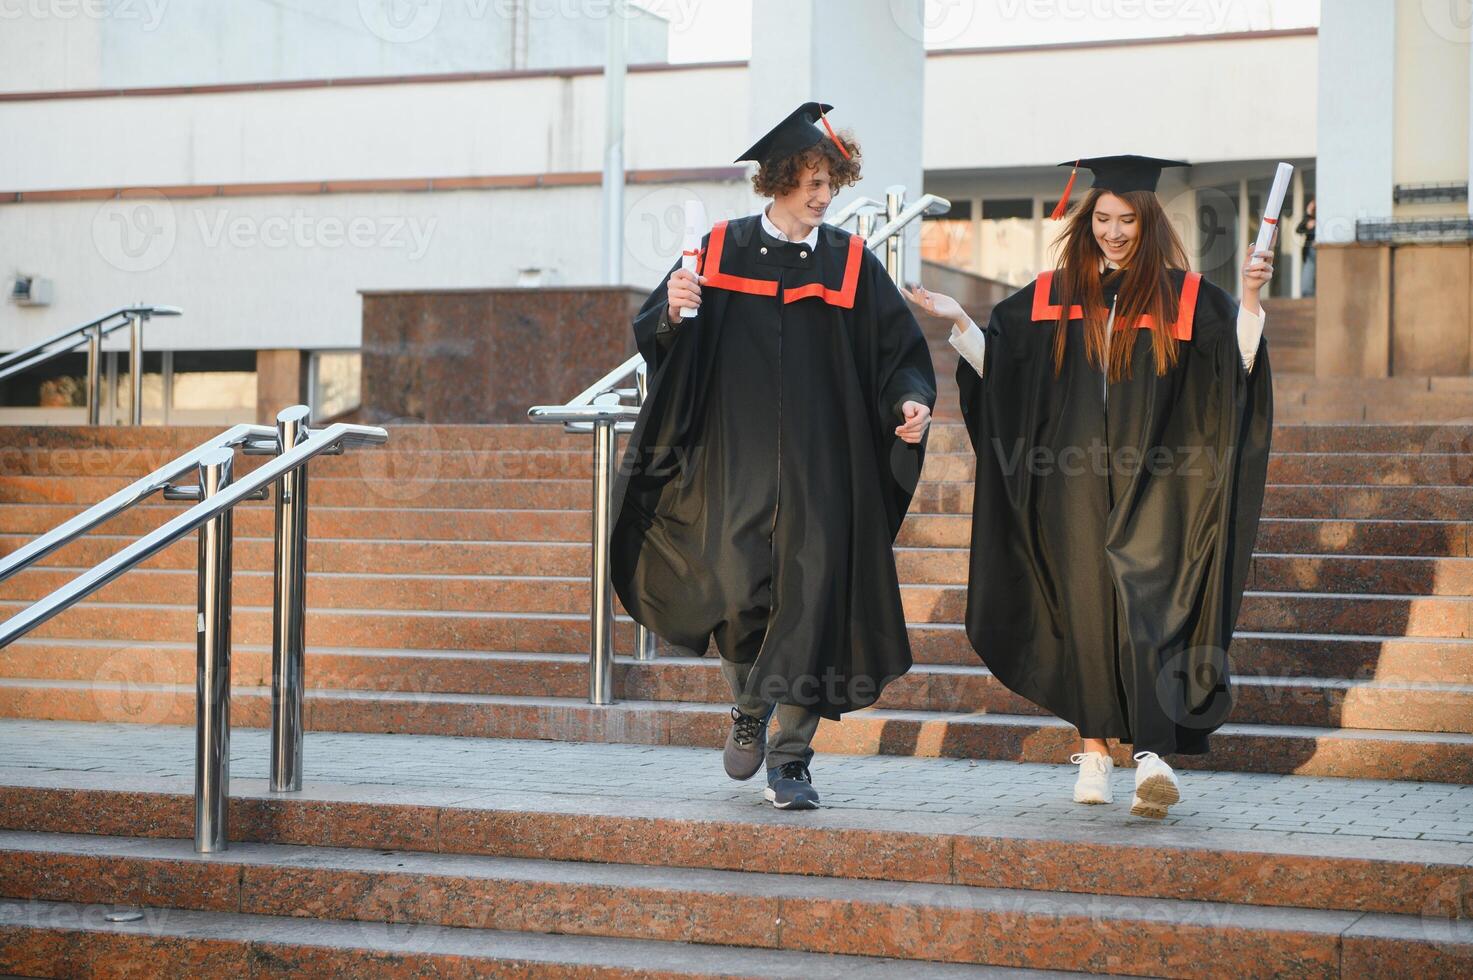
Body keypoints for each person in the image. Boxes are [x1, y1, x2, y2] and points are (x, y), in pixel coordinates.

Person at [904, 155, 1274, 820]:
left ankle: (1152, 754)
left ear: (1147, 222)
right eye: (1101, 219)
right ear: (1087, 222)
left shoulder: (1185, 299)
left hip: (1156, 486)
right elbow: (1006, 377)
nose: (1112, 231)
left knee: (1151, 608)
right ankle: (1096, 749)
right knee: (1081, 611)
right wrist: (960, 323)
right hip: (1067, 488)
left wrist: (1248, 299)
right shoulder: (1050, 296)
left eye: (1125, 220)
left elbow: (1235, 370)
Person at [610, 102, 936, 810]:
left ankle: (791, 760)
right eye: (810, 180)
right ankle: (749, 709)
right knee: (737, 602)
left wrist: (908, 402)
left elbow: (897, 353)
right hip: (735, 467)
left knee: (812, 606)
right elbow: (660, 336)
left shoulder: (848, 261)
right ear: (778, 180)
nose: (822, 195)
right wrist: (671, 310)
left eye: (831, 181)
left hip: (823, 471)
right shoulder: (718, 251)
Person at [1296, 198, 1316, 297]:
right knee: (1307, 285)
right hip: (1310, 253)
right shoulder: (1311, 219)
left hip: (1321, 253)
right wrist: (1308, 213)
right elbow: (1299, 229)